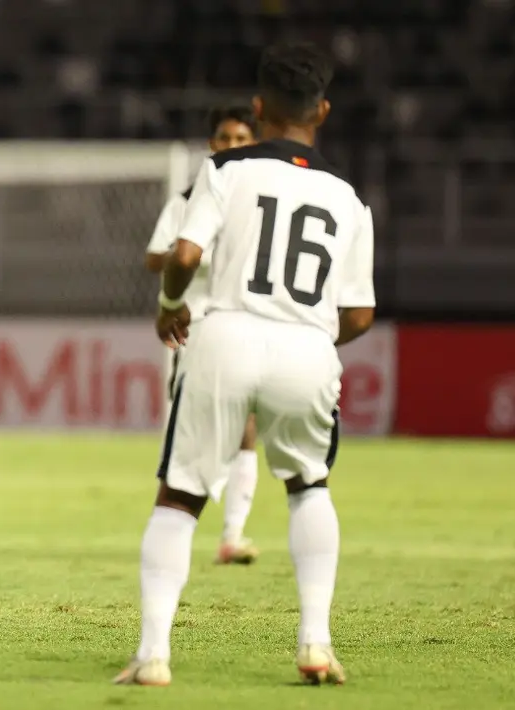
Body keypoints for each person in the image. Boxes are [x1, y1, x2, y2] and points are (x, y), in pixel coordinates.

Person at [115, 41, 375, 686]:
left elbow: (181, 253)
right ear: (323, 110)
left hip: (224, 334)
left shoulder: (225, 170)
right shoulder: (348, 197)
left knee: (178, 498)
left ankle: (152, 655)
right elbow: (362, 313)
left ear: (259, 109)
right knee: (308, 486)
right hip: (308, 348)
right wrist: (309, 333)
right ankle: (315, 644)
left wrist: (171, 305)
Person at [145, 106, 261, 565]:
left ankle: (233, 536)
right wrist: (190, 254)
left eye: (241, 138)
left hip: (244, 326)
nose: (232, 145)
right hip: (192, 330)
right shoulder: (188, 200)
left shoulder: (261, 202)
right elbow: (156, 257)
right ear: (213, 145)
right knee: (185, 442)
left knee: (247, 429)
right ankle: (171, 537)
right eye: (225, 138)